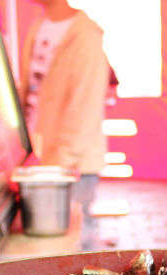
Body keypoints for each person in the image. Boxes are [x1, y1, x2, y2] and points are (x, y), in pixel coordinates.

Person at [20, 0, 110, 249]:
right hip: (45, 159)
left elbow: (85, 106)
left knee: (74, 251)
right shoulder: (39, 26)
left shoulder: (85, 36)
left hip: (72, 165)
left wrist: (61, 164)